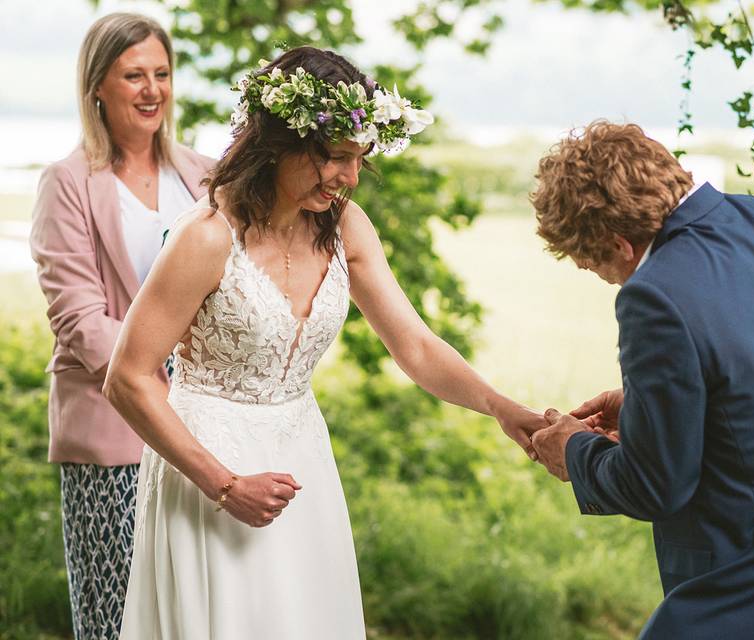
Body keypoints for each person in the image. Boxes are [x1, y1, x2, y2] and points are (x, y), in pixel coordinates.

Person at [102, 46, 545, 639]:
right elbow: (127, 378)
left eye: (358, 159)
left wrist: (502, 409)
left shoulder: (347, 227)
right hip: (206, 469)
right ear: (278, 144)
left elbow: (413, 344)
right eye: (335, 157)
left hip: (302, 456)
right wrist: (224, 484)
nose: (351, 177)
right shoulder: (206, 238)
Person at [528, 121, 754, 639]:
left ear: (618, 244)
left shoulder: (653, 296)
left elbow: (654, 486)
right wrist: (649, 408)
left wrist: (575, 452)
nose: (594, 272)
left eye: (587, 260)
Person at [28, 13, 214, 640]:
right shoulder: (67, 183)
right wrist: (155, 387)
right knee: (114, 617)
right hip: (112, 431)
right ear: (97, 88)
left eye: (161, 74)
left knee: (192, 613)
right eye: (133, 75)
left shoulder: (208, 177)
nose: (151, 89)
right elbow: (78, 318)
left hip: (207, 431)